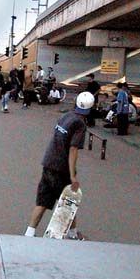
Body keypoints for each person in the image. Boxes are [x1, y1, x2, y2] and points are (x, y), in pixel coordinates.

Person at [24, 91, 95, 239]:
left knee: (43, 200)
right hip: (61, 168)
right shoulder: (80, 125)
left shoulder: (65, 116)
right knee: (69, 201)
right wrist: (73, 175)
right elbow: (73, 149)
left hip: (48, 162)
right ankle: (73, 234)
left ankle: (29, 232)